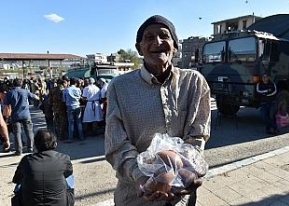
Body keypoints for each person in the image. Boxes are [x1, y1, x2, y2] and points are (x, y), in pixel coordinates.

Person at [104, 15, 211, 206]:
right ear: (139, 48)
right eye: (149, 37)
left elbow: (198, 135)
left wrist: (187, 171)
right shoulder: (119, 87)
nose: (157, 42)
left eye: (164, 36)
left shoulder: (194, 82)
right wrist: (140, 177)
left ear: (175, 46)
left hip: (181, 197)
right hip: (136, 196)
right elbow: (116, 144)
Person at [12, 129, 74, 206]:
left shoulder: (27, 160)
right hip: (60, 203)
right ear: (55, 144)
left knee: (20, 182)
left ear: (35, 145)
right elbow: (69, 173)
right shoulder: (64, 158)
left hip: (30, 203)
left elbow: (16, 179)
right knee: (69, 176)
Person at [4, 78, 39, 155]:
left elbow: (6, 106)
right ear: (21, 84)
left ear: (13, 84)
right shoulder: (25, 91)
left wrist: (6, 116)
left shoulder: (10, 93)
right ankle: (30, 148)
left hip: (15, 115)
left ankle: (19, 150)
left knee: (17, 133)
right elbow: (35, 97)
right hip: (26, 114)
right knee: (29, 131)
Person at [63, 77, 84, 142]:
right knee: (79, 122)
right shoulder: (78, 89)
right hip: (77, 106)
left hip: (70, 107)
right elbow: (80, 97)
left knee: (71, 123)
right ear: (75, 83)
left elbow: (63, 100)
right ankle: (81, 137)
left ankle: (70, 138)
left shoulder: (66, 90)